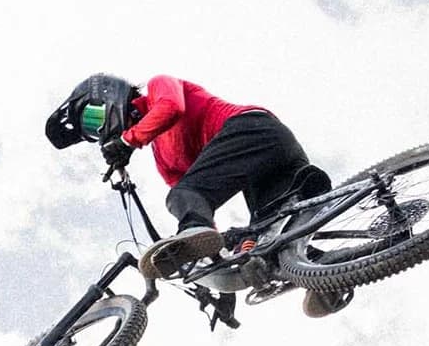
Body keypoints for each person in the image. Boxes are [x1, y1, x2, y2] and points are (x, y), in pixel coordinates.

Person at [45, 73, 349, 319]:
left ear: (108, 95)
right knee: (266, 244)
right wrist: (223, 282)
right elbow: (202, 215)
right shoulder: (163, 158)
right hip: (267, 169)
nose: (101, 131)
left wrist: (128, 141)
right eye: (92, 130)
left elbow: (172, 108)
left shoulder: (157, 88)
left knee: (183, 195)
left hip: (253, 129)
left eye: (94, 118)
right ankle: (328, 274)